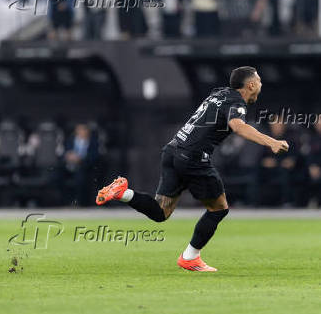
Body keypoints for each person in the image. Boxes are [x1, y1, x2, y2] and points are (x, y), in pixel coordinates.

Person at [95, 67, 289, 272]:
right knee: (219, 209)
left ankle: (123, 193)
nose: (261, 85)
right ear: (250, 85)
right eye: (259, 81)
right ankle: (190, 257)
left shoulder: (219, 93)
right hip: (193, 158)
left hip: (172, 150)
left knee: (161, 212)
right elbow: (238, 126)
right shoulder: (236, 102)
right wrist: (271, 142)